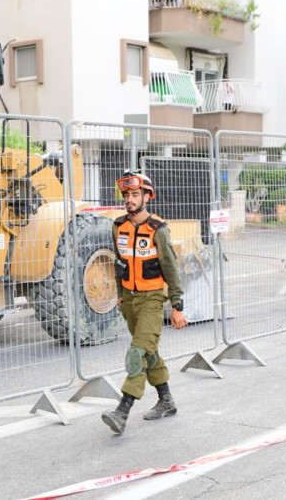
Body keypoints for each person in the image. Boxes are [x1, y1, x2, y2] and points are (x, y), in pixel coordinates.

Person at [101, 171, 188, 435]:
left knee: (137, 353)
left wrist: (177, 306)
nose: (129, 199)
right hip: (129, 300)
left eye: (135, 195)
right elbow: (119, 264)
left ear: (147, 197)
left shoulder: (157, 229)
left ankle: (122, 411)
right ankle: (166, 400)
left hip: (152, 299)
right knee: (148, 352)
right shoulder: (118, 226)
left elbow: (171, 269)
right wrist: (119, 293)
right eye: (126, 195)